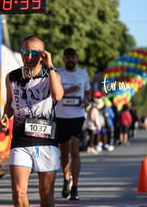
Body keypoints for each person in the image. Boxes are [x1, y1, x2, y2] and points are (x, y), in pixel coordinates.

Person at [0, 35, 64, 207]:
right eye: (25, 52)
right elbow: (9, 104)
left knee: (46, 193)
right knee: (19, 192)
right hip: (21, 141)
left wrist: (50, 66)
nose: (29, 57)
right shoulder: (12, 77)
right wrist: (6, 116)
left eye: (34, 52)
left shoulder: (52, 75)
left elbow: (58, 96)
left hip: (47, 142)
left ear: (42, 54)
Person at [55, 47, 91, 200]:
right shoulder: (57, 73)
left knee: (74, 150)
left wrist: (86, 100)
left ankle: (75, 187)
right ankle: (66, 179)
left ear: (76, 58)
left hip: (77, 116)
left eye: (72, 57)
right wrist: (70, 91)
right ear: (63, 59)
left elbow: (87, 92)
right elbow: (54, 93)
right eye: (67, 57)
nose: (70, 59)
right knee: (63, 152)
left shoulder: (83, 73)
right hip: (61, 116)